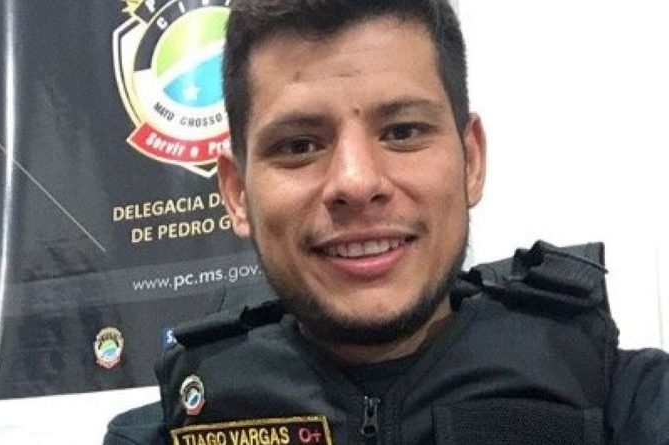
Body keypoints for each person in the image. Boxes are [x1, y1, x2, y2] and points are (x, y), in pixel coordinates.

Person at [105, 1, 669, 443]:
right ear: (235, 192)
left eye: (402, 132)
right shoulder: (162, 432)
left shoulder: (627, 401)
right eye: (299, 145)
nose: (356, 182)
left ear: (470, 161)